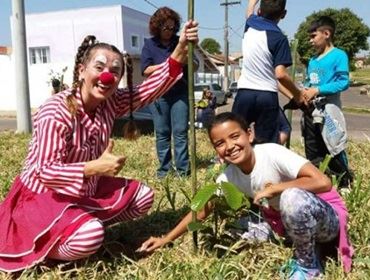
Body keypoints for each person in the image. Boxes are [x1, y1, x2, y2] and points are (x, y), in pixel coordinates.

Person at [0, 20, 198, 273]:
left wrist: (180, 49)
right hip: (42, 197)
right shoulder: (56, 111)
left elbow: (147, 91)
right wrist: (93, 167)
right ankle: (51, 246)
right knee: (90, 236)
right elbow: (44, 172)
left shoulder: (109, 102)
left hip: (82, 193)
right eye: (100, 67)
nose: (108, 75)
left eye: (115, 71)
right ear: (82, 71)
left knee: (142, 197)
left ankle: (78, 224)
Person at [139, 112, 353, 279]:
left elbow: (323, 182)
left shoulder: (271, 152)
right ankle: (310, 246)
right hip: (286, 223)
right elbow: (203, 209)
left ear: (249, 134)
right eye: (220, 143)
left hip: (327, 219)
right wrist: (166, 238)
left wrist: (277, 188)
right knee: (239, 230)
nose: (230, 147)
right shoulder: (229, 176)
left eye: (234, 136)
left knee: (291, 197)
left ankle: (309, 267)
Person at [232, 0, 305, 143]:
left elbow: (249, 12)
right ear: (283, 14)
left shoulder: (249, 25)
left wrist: (252, 3)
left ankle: (232, 165)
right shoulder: (280, 38)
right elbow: (281, 74)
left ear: (259, 11)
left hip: (244, 93)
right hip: (267, 95)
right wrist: (298, 95)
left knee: (236, 136)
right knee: (266, 143)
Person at [141, 7, 196, 178]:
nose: (169, 31)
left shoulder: (181, 42)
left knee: (180, 132)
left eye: (173, 28)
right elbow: (145, 70)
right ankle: (164, 170)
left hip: (180, 93)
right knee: (163, 133)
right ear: (157, 26)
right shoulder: (149, 44)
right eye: (166, 28)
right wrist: (168, 65)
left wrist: (187, 59)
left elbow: (194, 66)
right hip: (159, 95)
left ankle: (182, 170)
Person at [301, 16, 352, 188]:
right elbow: (309, 82)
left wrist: (318, 89)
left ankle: (345, 183)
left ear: (327, 33)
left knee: (334, 144)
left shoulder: (339, 55)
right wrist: (305, 91)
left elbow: (343, 82)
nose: (310, 40)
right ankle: (319, 181)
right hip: (310, 111)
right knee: (313, 146)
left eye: (313, 36)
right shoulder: (313, 61)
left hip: (329, 111)